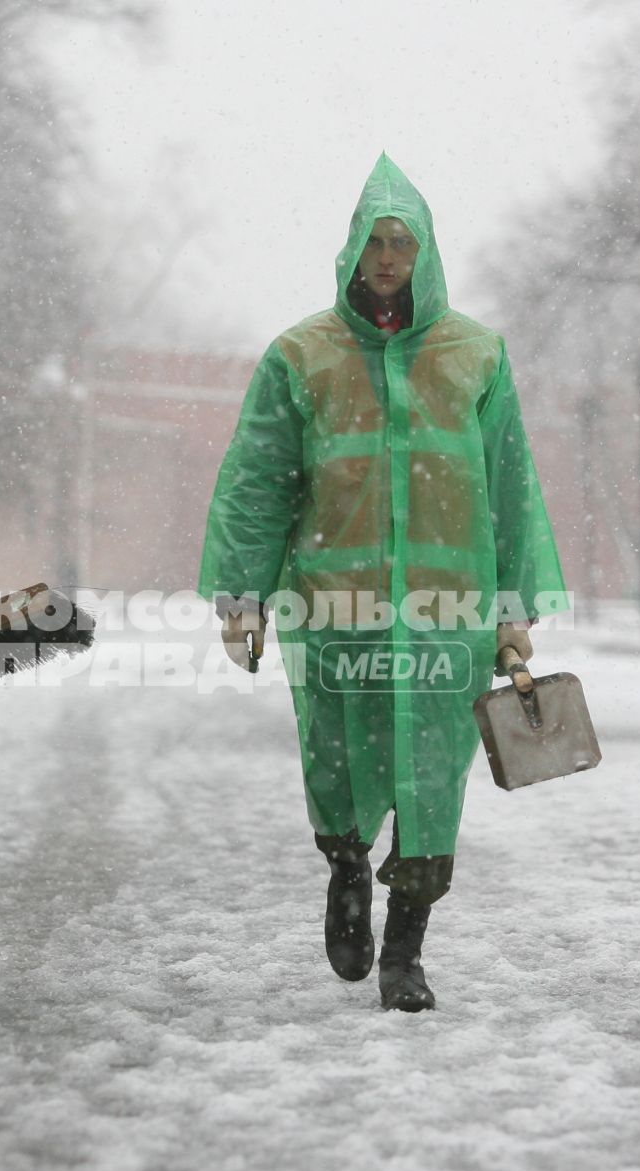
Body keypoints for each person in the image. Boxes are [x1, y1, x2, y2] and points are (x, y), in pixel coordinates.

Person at [199, 156, 565, 1012]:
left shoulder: (476, 354)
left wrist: (514, 610)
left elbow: (511, 485)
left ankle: (406, 952)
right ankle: (346, 871)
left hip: (450, 616)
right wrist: (242, 595)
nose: (390, 256)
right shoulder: (302, 356)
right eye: (377, 240)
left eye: (403, 240)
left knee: (433, 778)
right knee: (339, 758)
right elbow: (259, 483)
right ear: (354, 251)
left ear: (425, 249)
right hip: (335, 610)